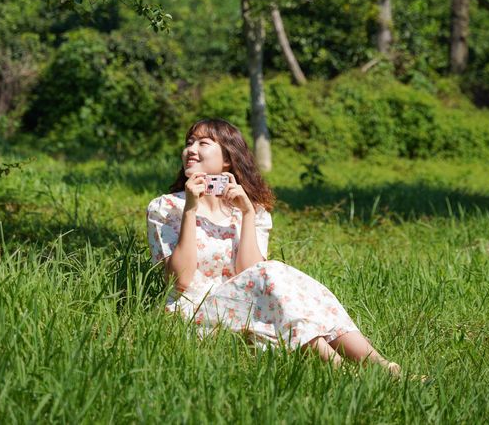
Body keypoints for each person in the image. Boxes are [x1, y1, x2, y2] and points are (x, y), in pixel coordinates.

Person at [146, 118, 401, 373]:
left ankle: (380, 366)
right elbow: (179, 280)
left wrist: (246, 214)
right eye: (189, 143)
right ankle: (346, 371)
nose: (191, 149)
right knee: (274, 274)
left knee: (285, 284)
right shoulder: (166, 208)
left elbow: (251, 271)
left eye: (203, 143)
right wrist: (191, 208)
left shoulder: (251, 211)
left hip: (248, 308)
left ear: (227, 159)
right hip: (195, 314)